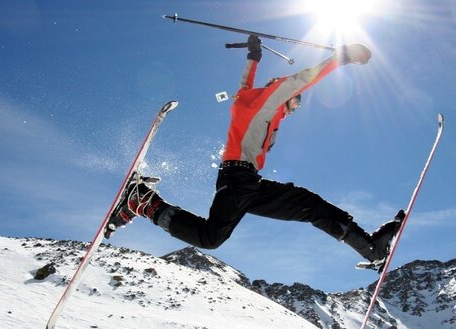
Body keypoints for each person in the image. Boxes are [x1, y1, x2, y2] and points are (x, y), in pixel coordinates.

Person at [107, 35, 403, 270]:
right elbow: (303, 79)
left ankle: (370, 248)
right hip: (239, 179)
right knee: (211, 237)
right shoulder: (268, 100)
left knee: (310, 205)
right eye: (295, 102)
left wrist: (253, 55)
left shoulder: (251, 102)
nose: (295, 108)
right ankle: (143, 201)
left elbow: (244, 83)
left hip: (247, 183)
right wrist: (344, 56)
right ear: (281, 93)